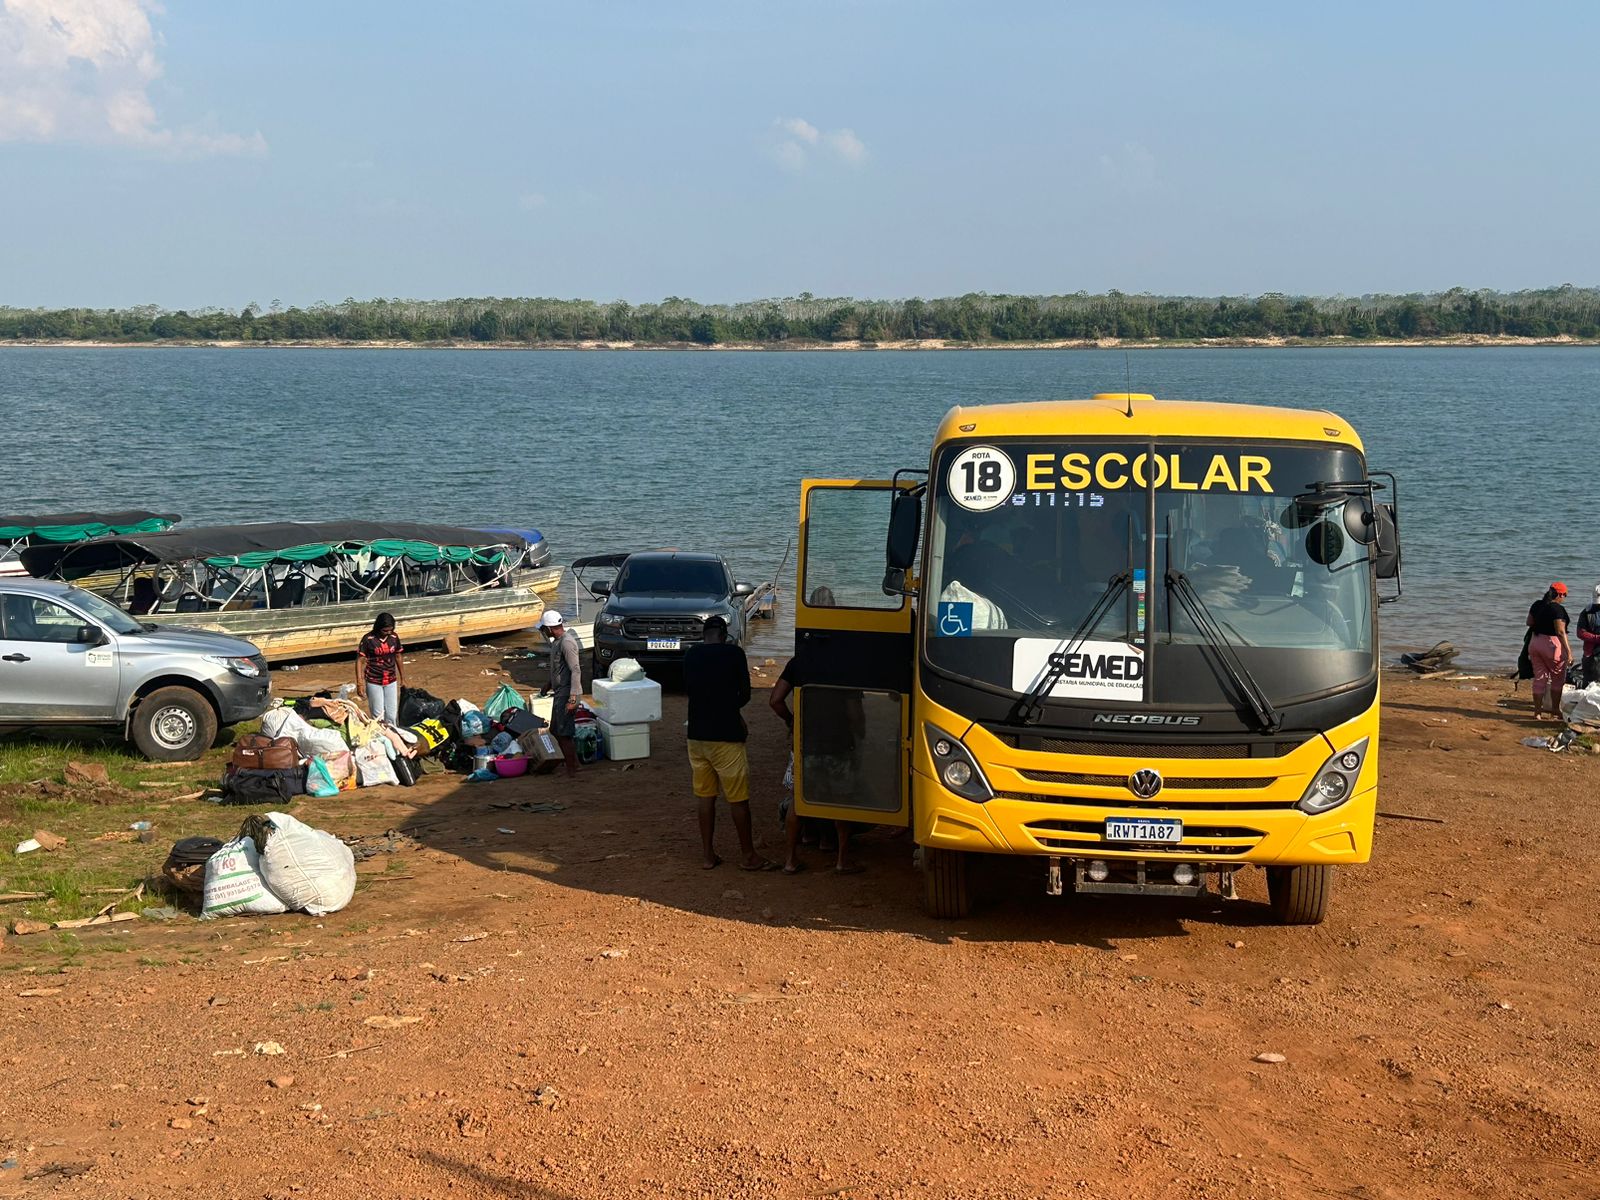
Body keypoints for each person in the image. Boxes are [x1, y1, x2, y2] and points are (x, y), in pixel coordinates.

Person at [684, 615, 771, 870]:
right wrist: (729, 709)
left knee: (705, 796)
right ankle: (748, 856)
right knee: (738, 799)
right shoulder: (734, 654)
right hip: (726, 736)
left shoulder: (691, 655)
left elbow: (689, 688)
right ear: (724, 635)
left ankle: (708, 855)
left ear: (704, 635)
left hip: (697, 735)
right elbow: (744, 694)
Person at [769, 653, 863, 875]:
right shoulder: (847, 665)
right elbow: (855, 714)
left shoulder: (799, 662)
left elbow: (775, 700)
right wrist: (860, 738)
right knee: (842, 801)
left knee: (798, 800)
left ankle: (790, 860)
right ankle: (841, 860)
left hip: (805, 743)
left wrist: (791, 721)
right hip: (839, 744)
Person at [537, 610, 582, 777]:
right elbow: (558, 669)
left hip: (568, 693)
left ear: (550, 628)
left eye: (544, 628)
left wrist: (573, 698)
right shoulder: (556, 642)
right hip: (559, 691)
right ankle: (573, 763)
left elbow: (575, 670)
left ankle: (572, 769)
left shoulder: (567, 643)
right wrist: (548, 684)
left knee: (564, 732)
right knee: (556, 730)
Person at [1526, 583, 1573, 721]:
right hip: (1553, 646)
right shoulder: (1558, 609)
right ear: (1560, 594)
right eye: (1565, 595)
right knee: (1557, 680)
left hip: (1535, 642)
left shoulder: (1537, 604)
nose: (1564, 598)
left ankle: (1537, 712)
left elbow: (1529, 622)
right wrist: (1569, 652)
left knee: (1540, 678)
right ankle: (1554, 710)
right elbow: (1560, 631)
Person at [356, 613, 403, 723]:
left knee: (392, 714)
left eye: (390, 630)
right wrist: (360, 683)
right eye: (385, 631)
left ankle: (393, 736)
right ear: (378, 628)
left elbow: (398, 656)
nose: (388, 633)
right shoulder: (368, 639)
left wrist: (403, 678)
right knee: (378, 716)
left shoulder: (394, 637)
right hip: (373, 680)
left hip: (391, 680)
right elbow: (360, 660)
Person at [1577, 585, 1600, 687]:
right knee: (1589, 681)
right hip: (1590, 653)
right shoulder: (1587, 612)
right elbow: (1580, 633)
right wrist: (1597, 638)